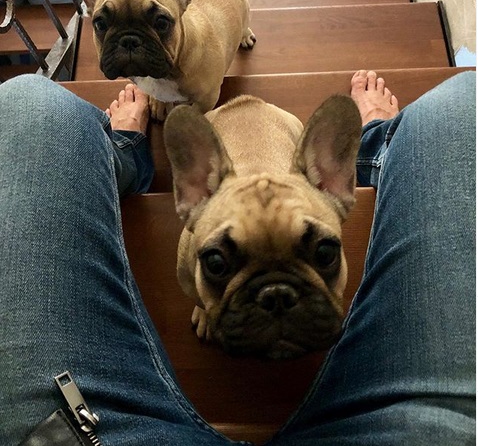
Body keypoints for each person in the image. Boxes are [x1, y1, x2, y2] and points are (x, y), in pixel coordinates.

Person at [0, 70, 475, 446]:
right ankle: (379, 140)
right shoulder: (202, 224)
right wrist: (208, 302)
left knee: (31, 104)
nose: (276, 299)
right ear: (189, 198)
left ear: (336, 184)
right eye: (222, 265)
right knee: (462, 104)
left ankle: (124, 147)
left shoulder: (223, 213)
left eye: (322, 254)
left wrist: (218, 293)